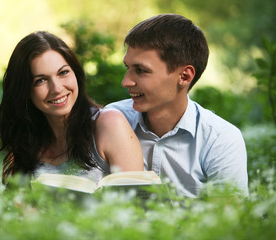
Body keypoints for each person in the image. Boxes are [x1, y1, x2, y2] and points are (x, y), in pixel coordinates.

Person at [105, 14, 248, 197]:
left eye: (141, 70)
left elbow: (230, 219)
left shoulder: (220, 140)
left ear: (184, 77)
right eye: (128, 68)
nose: (126, 82)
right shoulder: (111, 120)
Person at [0, 31, 143, 184]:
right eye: (41, 80)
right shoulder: (27, 141)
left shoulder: (109, 124)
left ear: (76, 74)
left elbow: (136, 202)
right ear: (25, 90)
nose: (57, 88)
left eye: (63, 72)